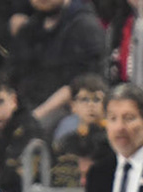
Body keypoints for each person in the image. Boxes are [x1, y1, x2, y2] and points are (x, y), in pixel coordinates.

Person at [11, 0, 107, 129]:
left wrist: (35, 117)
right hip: (30, 107)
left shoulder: (85, 26)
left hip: (68, 110)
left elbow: (78, 84)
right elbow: (15, 74)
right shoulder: (31, 28)